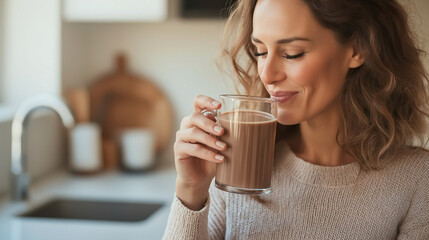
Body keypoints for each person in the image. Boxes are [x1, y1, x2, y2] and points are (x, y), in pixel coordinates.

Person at [163, 0, 429, 239]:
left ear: (357, 49)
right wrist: (190, 192)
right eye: (260, 52)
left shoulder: (416, 179)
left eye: (292, 53)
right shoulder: (239, 161)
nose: (267, 74)